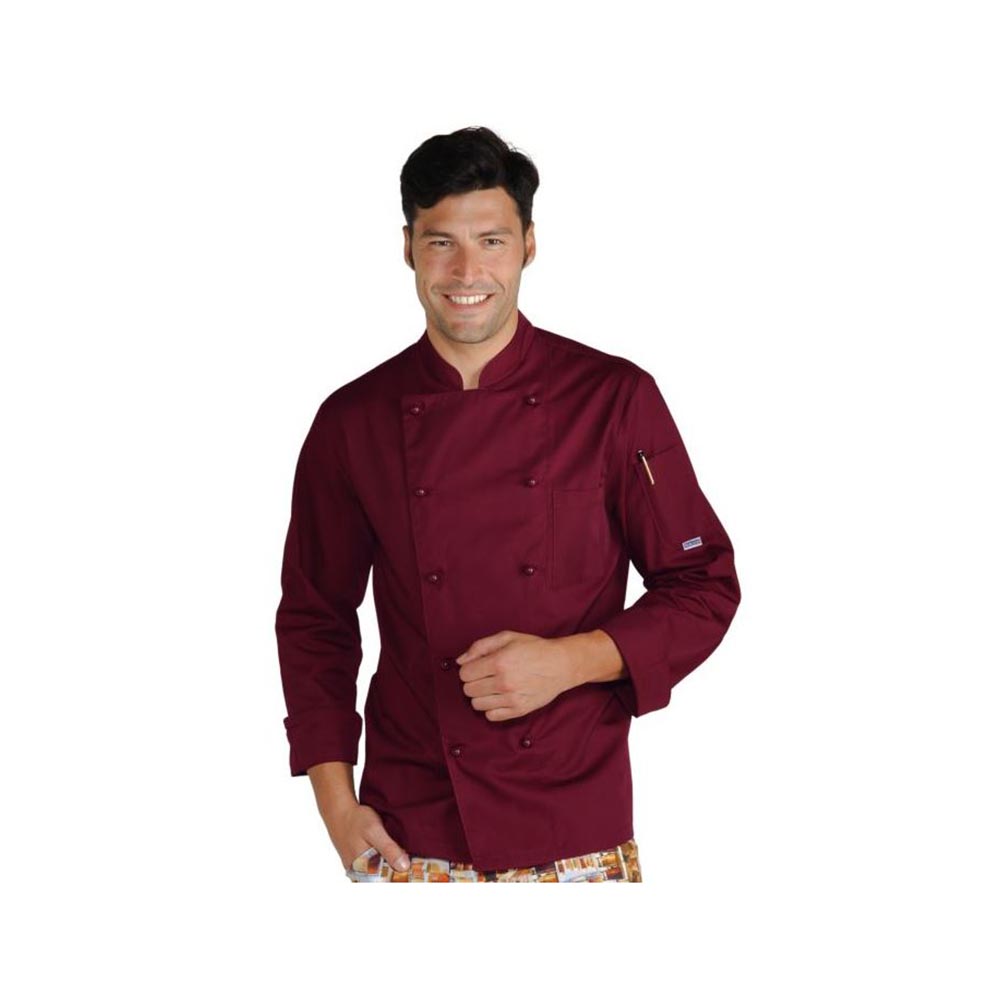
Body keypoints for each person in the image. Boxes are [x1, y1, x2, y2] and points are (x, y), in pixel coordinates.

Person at [274, 125, 741, 883]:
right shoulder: (352, 421)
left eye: (491, 241)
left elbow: (703, 586)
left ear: (528, 245)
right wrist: (335, 805)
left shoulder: (613, 399)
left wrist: (569, 661)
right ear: (407, 248)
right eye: (441, 243)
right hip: (410, 829)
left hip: (576, 825)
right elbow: (314, 618)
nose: (467, 271)